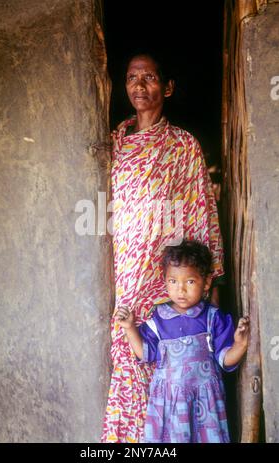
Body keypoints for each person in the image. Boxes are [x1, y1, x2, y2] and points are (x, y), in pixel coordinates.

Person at [102, 52, 225, 443]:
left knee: (166, 363)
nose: (139, 85)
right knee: (127, 348)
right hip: (123, 273)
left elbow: (201, 212)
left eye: (150, 77)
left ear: (167, 87)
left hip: (165, 279)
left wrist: (208, 282)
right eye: (132, 77)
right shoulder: (112, 145)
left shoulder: (183, 146)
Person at [115, 240, 249, 443]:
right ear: (165, 281)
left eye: (190, 282)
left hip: (206, 403)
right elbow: (145, 353)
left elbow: (225, 360)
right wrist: (130, 328)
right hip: (169, 404)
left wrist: (239, 345)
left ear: (206, 283)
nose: (181, 290)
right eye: (173, 281)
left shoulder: (212, 318)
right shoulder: (158, 319)